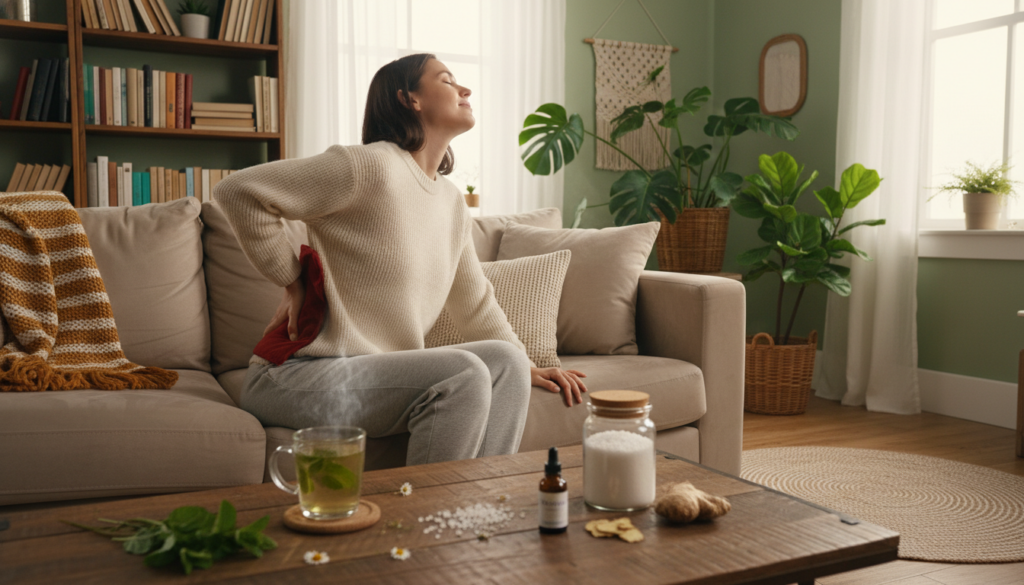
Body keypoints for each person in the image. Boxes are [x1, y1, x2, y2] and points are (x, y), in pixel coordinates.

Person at [214, 53, 587, 466]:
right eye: (447, 80)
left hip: (377, 375)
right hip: (297, 377)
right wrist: (292, 278)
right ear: (410, 99)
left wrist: (530, 365)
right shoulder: (368, 165)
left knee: (507, 362)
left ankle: (478, 506)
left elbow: (475, 303)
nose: (465, 90)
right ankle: (431, 519)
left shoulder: (450, 201)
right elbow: (240, 191)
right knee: (463, 371)